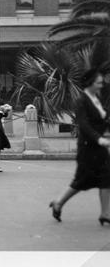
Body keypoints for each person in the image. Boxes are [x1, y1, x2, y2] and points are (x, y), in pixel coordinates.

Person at [50, 69, 110, 224]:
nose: (101, 85)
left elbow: (102, 120)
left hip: (99, 147)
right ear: (90, 83)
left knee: (106, 177)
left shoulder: (97, 98)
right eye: (98, 82)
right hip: (88, 147)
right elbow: (84, 125)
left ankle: (105, 213)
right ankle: (59, 203)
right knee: (81, 180)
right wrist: (99, 139)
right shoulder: (81, 100)